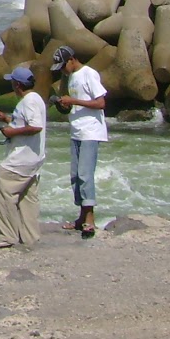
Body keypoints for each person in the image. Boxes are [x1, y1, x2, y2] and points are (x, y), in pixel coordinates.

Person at [51, 45, 108, 237]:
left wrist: (74, 101)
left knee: (85, 174)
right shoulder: (70, 77)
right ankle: (81, 217)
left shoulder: (89, 74)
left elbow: (100, 103)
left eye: (62, 66)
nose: (61, 70)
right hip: (76, 130)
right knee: (75, 176)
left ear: (72, 59)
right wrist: (63, 104)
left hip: (91, 131)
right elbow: (74, 104)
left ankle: (90, 219)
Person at [0, 64, 46, 249]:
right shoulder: (35, 99)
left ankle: (7, 236)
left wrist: (11, 133)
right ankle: (30, 237)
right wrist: (6, 119)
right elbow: (24, 122)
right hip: (33, 159)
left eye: (12, 82)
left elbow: (35, 127)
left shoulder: (29, 101)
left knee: (3, 189)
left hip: (21, 160)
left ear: (18, 85)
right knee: (28, 198)